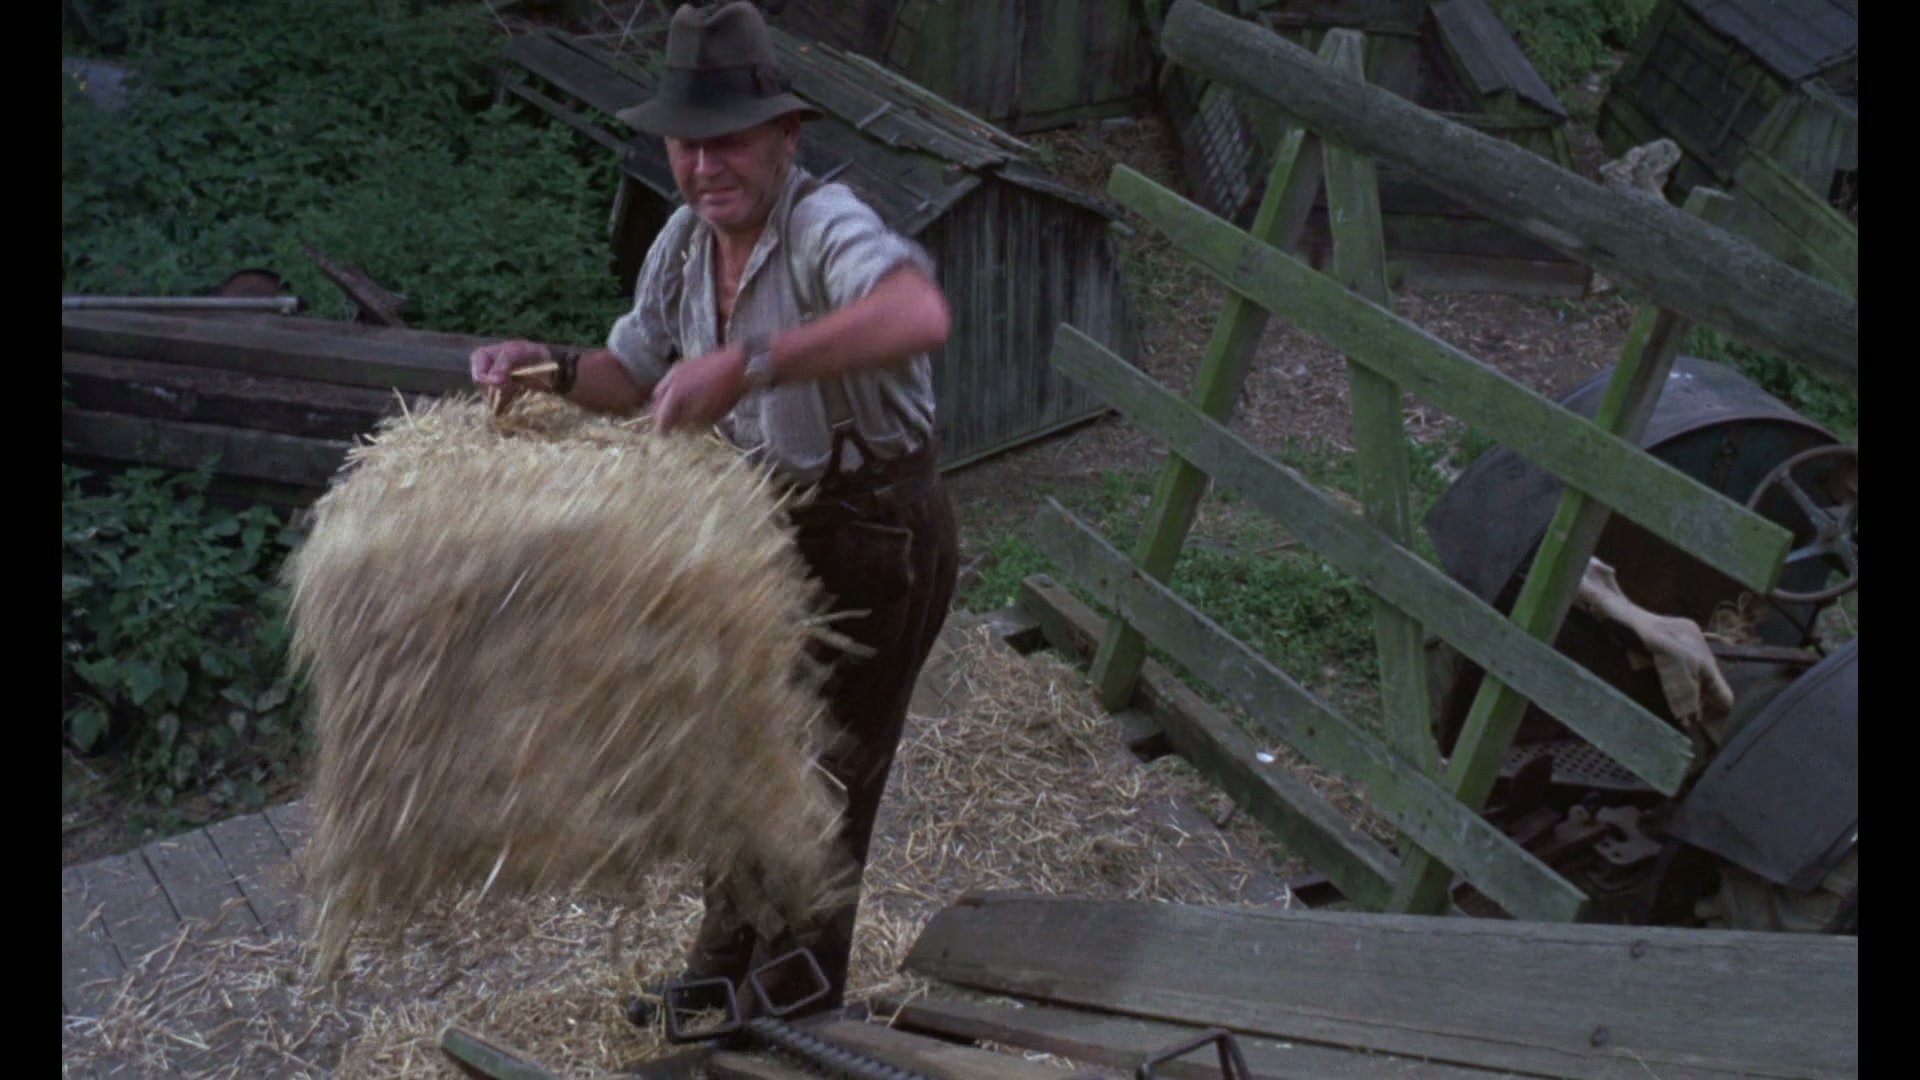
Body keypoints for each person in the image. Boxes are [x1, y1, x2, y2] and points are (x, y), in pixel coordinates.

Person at [469, 1, 960, 1015]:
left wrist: (748, 364)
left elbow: (919, 313)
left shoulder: (824, 226)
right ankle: (717, 975)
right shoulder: (686, 242)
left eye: (727, 140)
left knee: (823, 788)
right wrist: (545, 366)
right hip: (761, 535)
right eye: (686, 145)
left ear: (785, 135)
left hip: (876, 533)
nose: (703, 166)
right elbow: (631, 371)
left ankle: (791, 1007)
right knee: (736, 758)